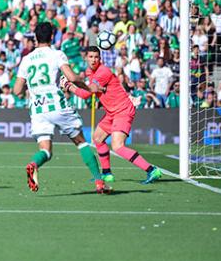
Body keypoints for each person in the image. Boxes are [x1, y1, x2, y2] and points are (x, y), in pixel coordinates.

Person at [13, 22, 111, 194]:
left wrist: (34, 86)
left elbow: (17, 90)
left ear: (35, 38)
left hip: (37, 110)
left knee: (46, 151)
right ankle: (99, 182)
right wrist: (90, 88)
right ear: (52, 37)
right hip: (56, 105)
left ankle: (34, 164)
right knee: (81, 142)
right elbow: (72, 77)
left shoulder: (26, 59)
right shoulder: (56, 54)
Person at [65, 46, 162, 184]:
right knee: (97, 138)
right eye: (91, 57)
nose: (93, 60)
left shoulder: (103, 71)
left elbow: (86, 94)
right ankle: (107, 174)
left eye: (96, 57)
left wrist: (69, 87)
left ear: (100, 59)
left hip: (122, 110)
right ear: (86, 58)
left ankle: (152, 170)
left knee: (118, 146)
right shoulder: (88, 71)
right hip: (111, 112)